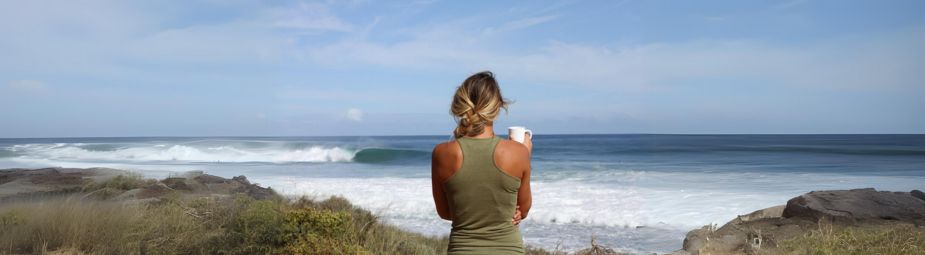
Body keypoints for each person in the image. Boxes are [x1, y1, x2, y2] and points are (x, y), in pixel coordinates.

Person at [431, 71, 533, 254]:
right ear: (498, 107)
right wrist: (525, 153)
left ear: (461, 103)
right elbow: (522, 211)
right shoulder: (518, 152)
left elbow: (445, 213)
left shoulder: (442, 153)